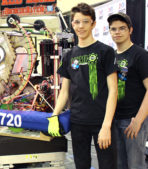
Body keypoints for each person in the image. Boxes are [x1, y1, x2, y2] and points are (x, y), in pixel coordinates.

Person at [47, 3, 118, 169]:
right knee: (81, 165)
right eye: (77, 22)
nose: (81, 26)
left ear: (93, 23)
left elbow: (113, 91)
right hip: (78, 121)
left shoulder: (105, 51)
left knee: (108, 165)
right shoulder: (69, 55)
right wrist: (54, 114)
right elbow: (64, 92)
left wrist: (107, 125)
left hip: (102, 120)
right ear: (72, 24)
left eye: (85, 21)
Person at [107, 13, 148, 169]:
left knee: (135, 165)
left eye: (122, 28)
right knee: (119, 165)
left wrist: (138, 120)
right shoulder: (111, 56)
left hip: (132, 120)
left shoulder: (141, 55)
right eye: (113, 29)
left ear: (130, 30)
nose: (117, 32)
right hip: (115, 119)